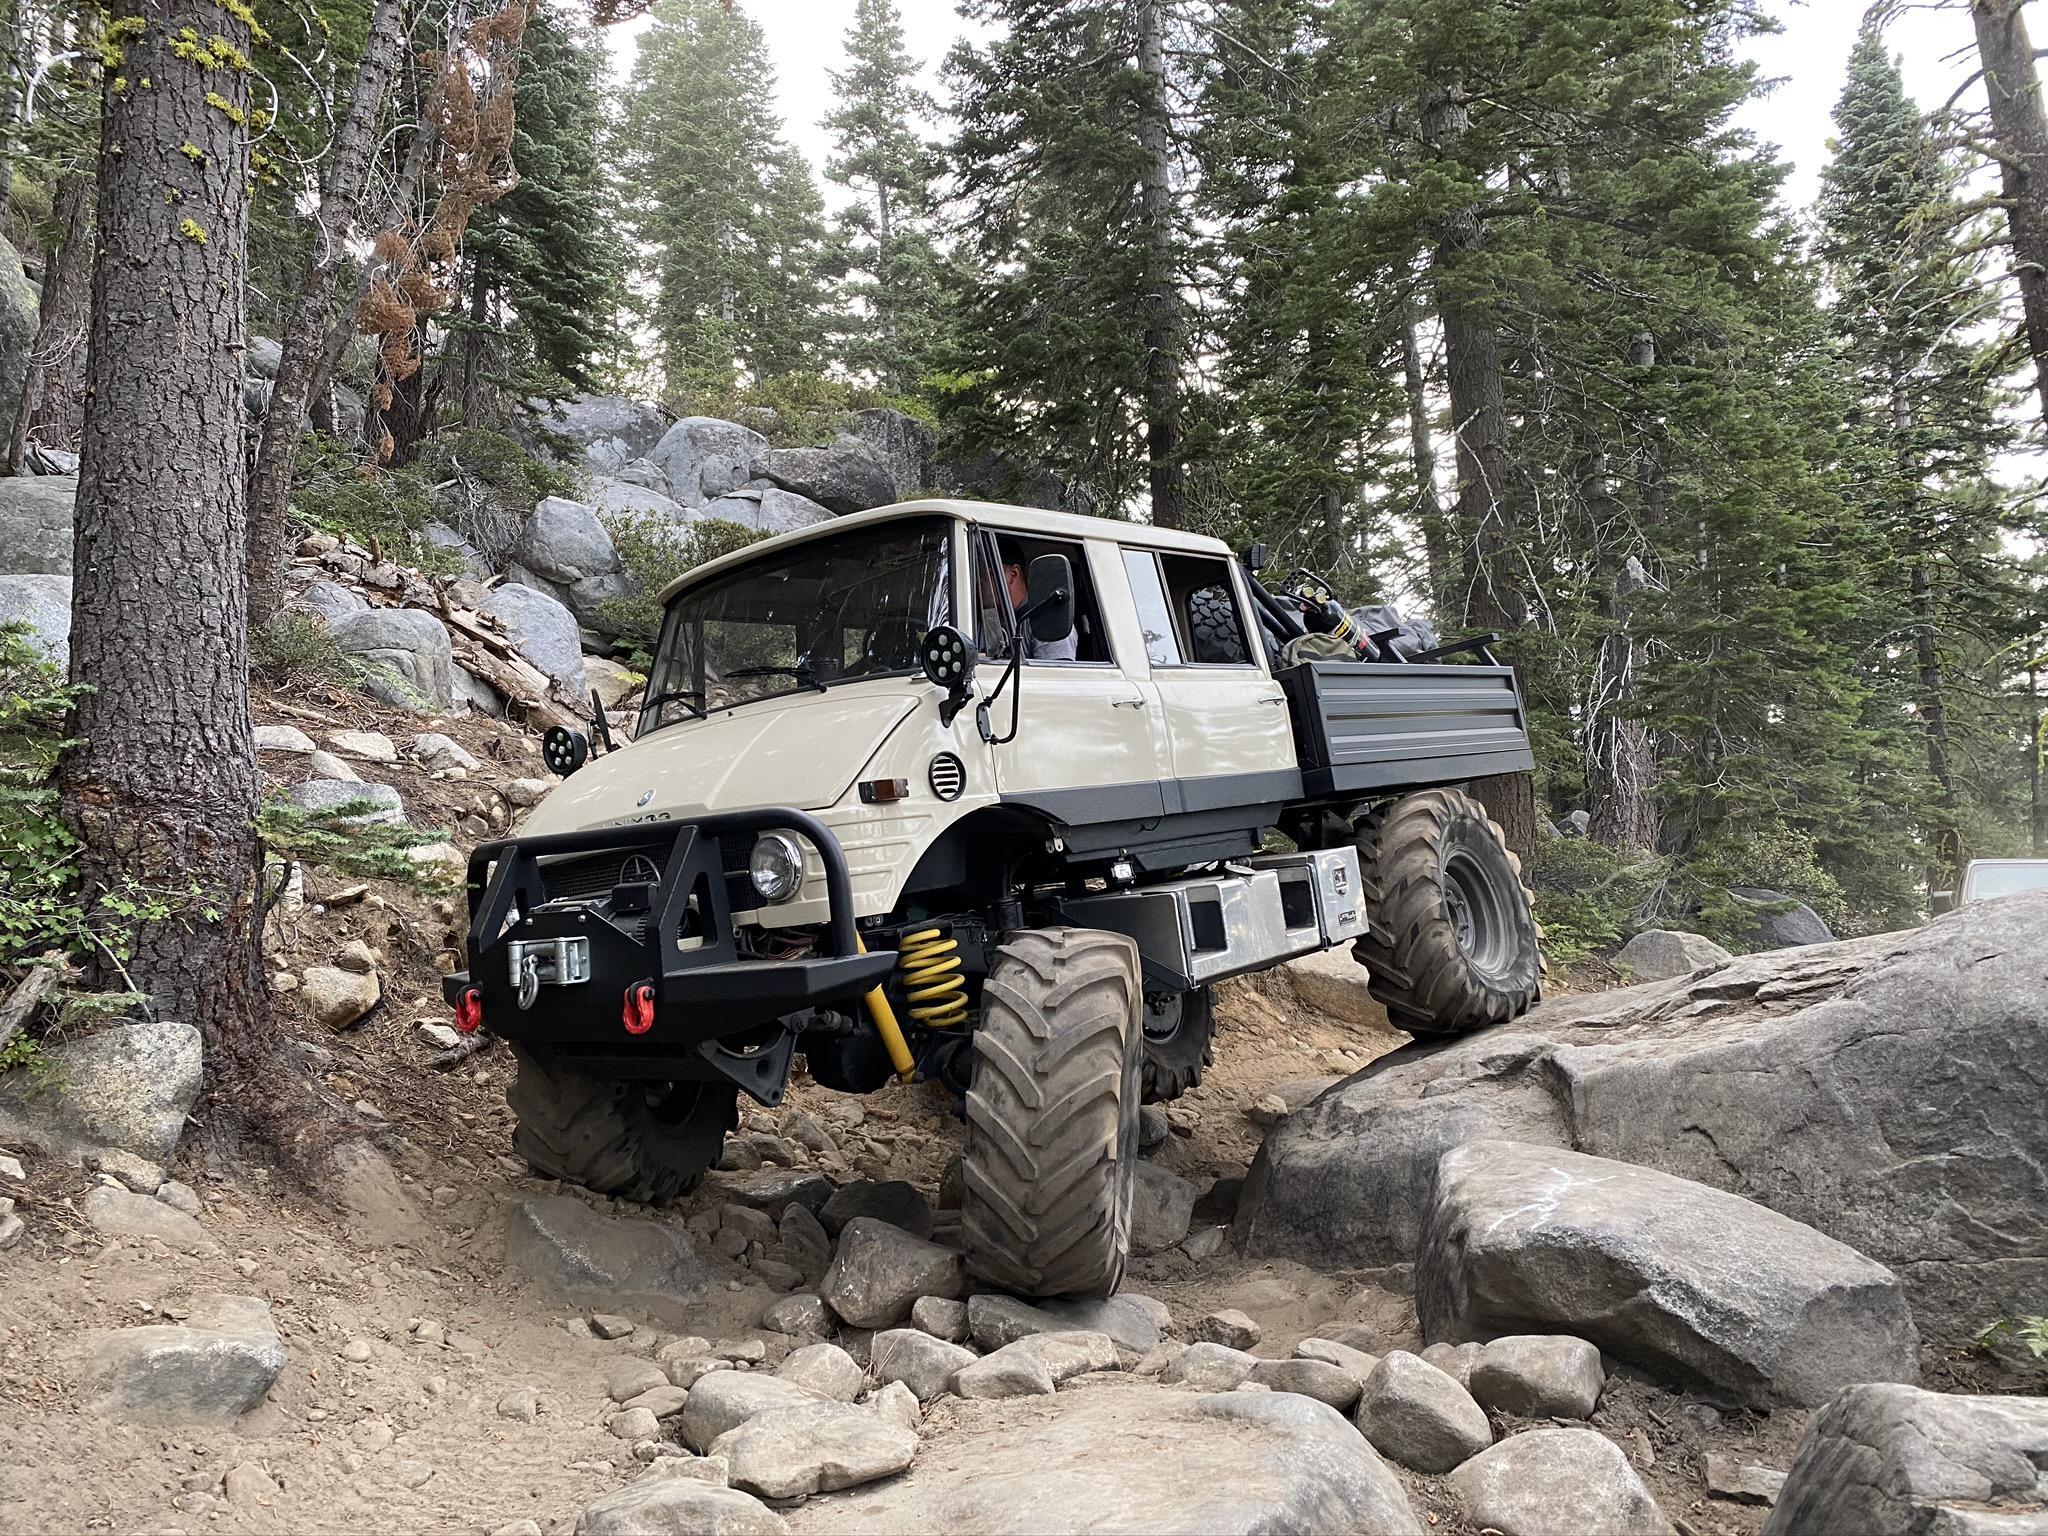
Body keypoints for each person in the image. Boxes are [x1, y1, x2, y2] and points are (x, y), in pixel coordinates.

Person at [1005, 557, 1078, 660]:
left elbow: (1055, 674)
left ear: (1013, 574)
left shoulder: (1049, 619)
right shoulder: (989, 619)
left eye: (981, 574)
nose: (976, 582)